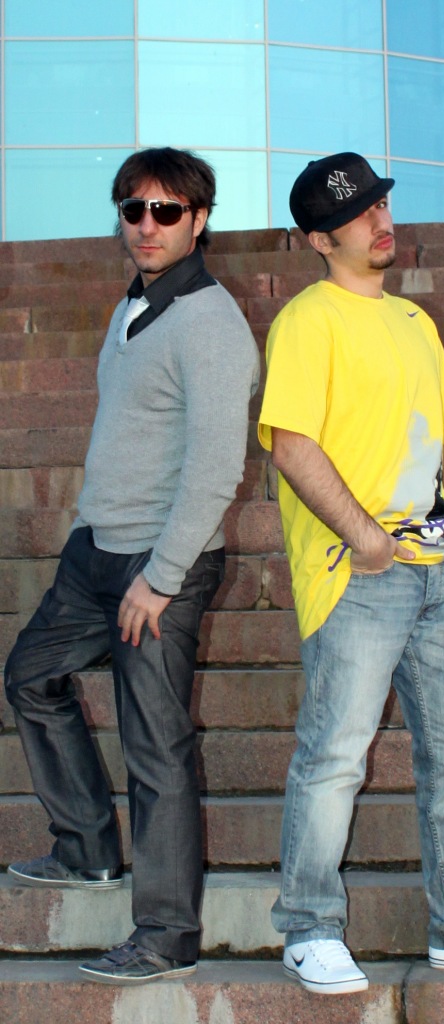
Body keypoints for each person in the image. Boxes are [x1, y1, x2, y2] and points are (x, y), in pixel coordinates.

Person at [258, 152, 444, 994]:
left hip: (441, 572)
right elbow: (291, 444)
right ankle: (309, 928)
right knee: (334, 758)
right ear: (319, 239)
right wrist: (365, 539)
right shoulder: (308, 321)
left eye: (380, 204)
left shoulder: (415, 322)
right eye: (356, 214)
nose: (379, 220)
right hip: (357, 574)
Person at [5, 147, 259, 984]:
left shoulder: (211, 324)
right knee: (29, 677)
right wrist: (88, 525)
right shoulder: (134, 305)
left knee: (156, 749)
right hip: (95, 556)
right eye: (133, 209)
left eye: (167, 211)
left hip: (159, 567)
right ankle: (86, 848)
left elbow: (216, 467)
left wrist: (162, 576)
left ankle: (166, 934)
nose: (147, 225)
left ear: (199, 220)